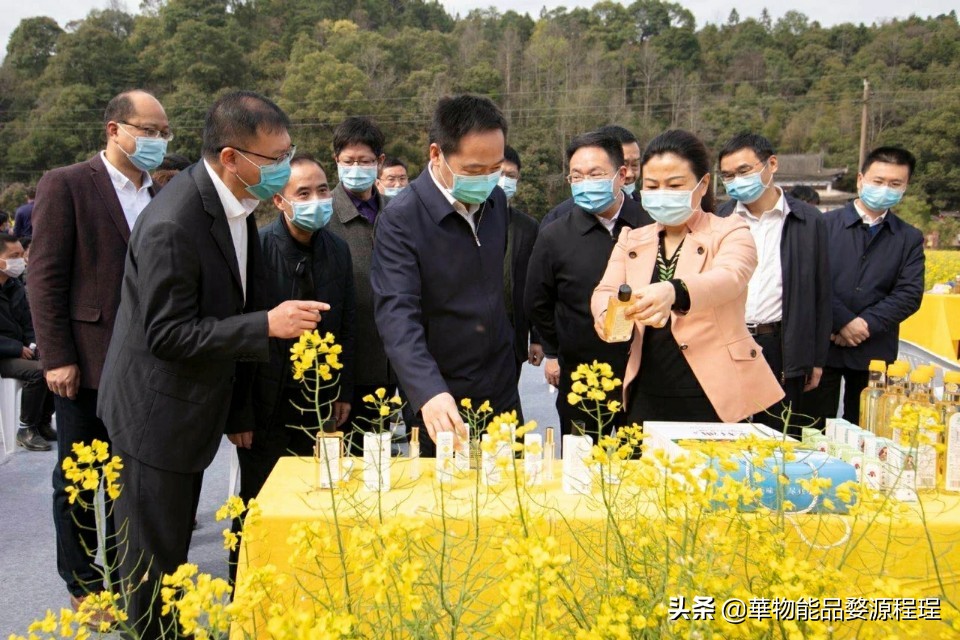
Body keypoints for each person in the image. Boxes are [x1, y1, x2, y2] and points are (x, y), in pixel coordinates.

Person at [97, 90, 326, 637]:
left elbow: (235, 301)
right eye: (274, 161)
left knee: (173, 557)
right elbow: (166, 333)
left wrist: (241, 406)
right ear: (230, 157)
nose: (284, 171)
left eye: (288, 154)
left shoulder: (237, 208)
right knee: (153, 569)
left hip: (195, 404)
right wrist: (265, 325)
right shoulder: (174, 224)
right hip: (154, 415)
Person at [30, 89, 169, 614]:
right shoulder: (67, 184)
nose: (156, 141)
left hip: (151, 365)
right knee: (81, 480)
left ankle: (133, 575)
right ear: (114, 129)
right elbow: (44, 280)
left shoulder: (163, 193)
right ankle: (86, 585)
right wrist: (56, 357)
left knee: (136, 480)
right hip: (86, 362)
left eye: (163, 133)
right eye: (147, 130)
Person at [592, 130, 783, 425]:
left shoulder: (731, 231)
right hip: (647, 387)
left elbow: (730, 278)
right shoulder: (632, 238)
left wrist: (675, 291)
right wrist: (611, 316)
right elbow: (606, 289)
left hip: (713, 392)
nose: (662, 193)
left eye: (675, 185)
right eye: (652, 186)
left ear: (703, 183)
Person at [371, 94, 518, 455]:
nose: (486, 180)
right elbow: (397, 314)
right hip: (443, 396)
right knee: (447, 506)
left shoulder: (495, 202)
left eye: (494, 168)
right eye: (472, 170)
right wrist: (428, 391)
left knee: (510, 501)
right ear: (436, 154)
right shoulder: (401, 219)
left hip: (500, 386)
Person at [242, 154, 356, 498]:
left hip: (319, 398)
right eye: (303, 194)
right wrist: (240, 414)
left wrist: (342, 391)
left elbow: (347, 325)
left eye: (323, 190)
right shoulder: (256, 250)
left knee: (318, 494)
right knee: (260, 499)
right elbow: (241, 336)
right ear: (279, 200)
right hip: (267, 402)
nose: (317, 201)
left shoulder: (338, 249)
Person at [525, 131, 653, 434]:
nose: (586, 184)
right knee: (579, 462)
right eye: (577, 177)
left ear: (621, 175)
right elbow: (537, 300)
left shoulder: (650, 225)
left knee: (637, 464)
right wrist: (556, 351)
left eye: (595, 175)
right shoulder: (555, 235)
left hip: (644, 371)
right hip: (582, 372)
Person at [715, 133, 831, 434]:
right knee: (728, 435)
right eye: (727, 175)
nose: (736, 181)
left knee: (778, 438)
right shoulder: (720, 218)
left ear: (772, 164)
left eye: (744, 171)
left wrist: (816, 359)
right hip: (730, 340)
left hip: (780, 342)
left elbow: (821, 293)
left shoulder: (808, 220)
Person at [805, 147, 924, 425]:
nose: (885, 189)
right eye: (878, 181)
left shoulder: (909, 238)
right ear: (860, 180)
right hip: (823, 346)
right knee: (810, 428)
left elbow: (909, 293)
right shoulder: (822, 225)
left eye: (895, 184)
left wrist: (865, 324)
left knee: (868, 431)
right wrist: (843, 321)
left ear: (905, 187)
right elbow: (808, 280)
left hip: (874, 349)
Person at [325, 117, 396, 450]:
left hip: (391, 364)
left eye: (365, 161)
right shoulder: (323, 218)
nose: (356, 168)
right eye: (348, 161)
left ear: (379, 163)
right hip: (343, 369)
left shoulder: (398, 214)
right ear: (336, 161)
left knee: (380, 462)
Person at [0, 234, 55, 451]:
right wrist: (15, 348)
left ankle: (42, 423)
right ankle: (26, 428)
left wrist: (34, 344)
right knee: (40, 372)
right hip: (4, 354)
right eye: (13, 256)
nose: (20, 261)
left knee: (55, 363)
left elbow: (28, 323)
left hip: (20, 350)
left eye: (21, 255)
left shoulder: (14, 286)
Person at [539, 124, 643, 229]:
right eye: (623, 163)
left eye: (634, 165)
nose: (629, 174)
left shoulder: (648, 213)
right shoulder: (557, 220)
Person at [500, 146, 543, 391]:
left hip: (512, 335)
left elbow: (535, 284)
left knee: (506, 408)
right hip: (469, 339)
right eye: (498, 173)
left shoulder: (527, 227)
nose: (504, 180)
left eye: (511, 175)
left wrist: (536, 338)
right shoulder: (463, 220)